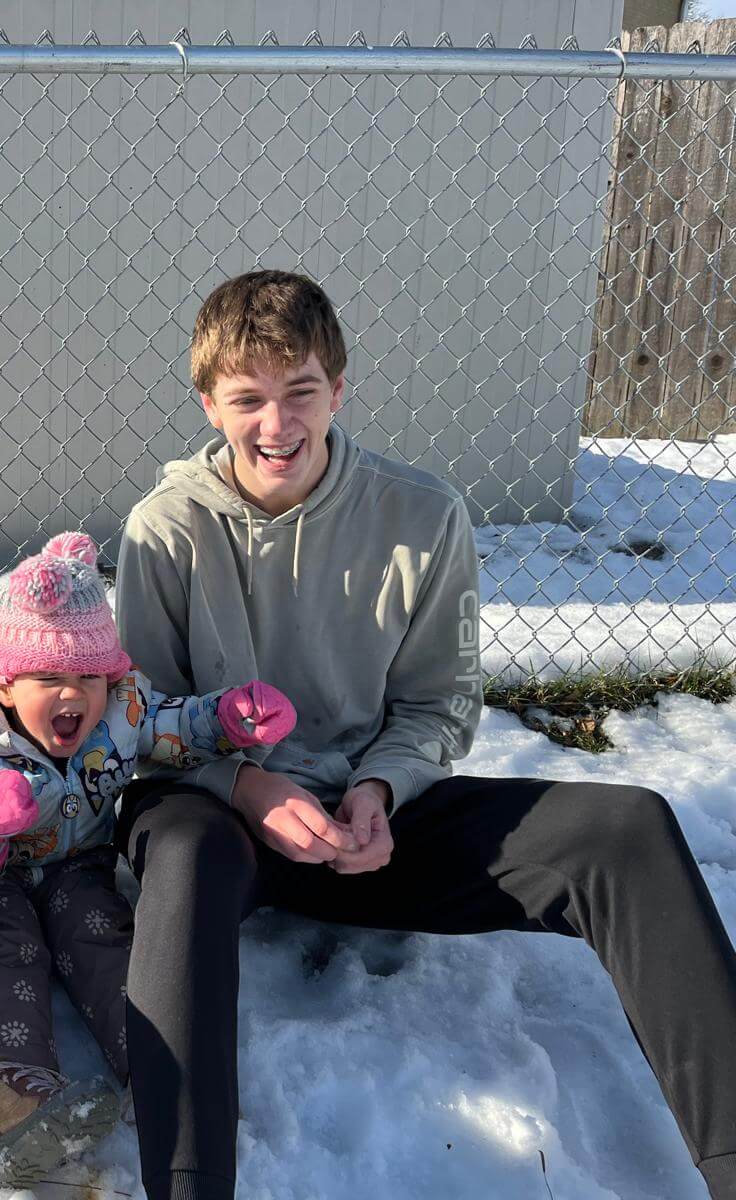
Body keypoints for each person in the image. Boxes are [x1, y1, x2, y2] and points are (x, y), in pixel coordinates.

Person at [114, 269, 736, 1200]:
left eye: (300, 391)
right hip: (224, 820)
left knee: (628, 828)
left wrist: (379, 790)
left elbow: (438, 703)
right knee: (184, 851)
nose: (276, 424)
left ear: (339, 388)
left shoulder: (422, 514)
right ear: (209, 403)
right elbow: (139, 724)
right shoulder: (165, 530)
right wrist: (247, 787)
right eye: (247, 399)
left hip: (369, 823)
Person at [0, 530, 295, 1188]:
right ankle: (18, 1111)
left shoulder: (120, 709)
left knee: (109, 944)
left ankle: (162, 1077)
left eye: (88, 678)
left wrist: (229, 720)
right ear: (5, 685)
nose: (74, 695)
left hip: (79, 868)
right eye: (49, 679)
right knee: (2, 957)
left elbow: (172, 724)